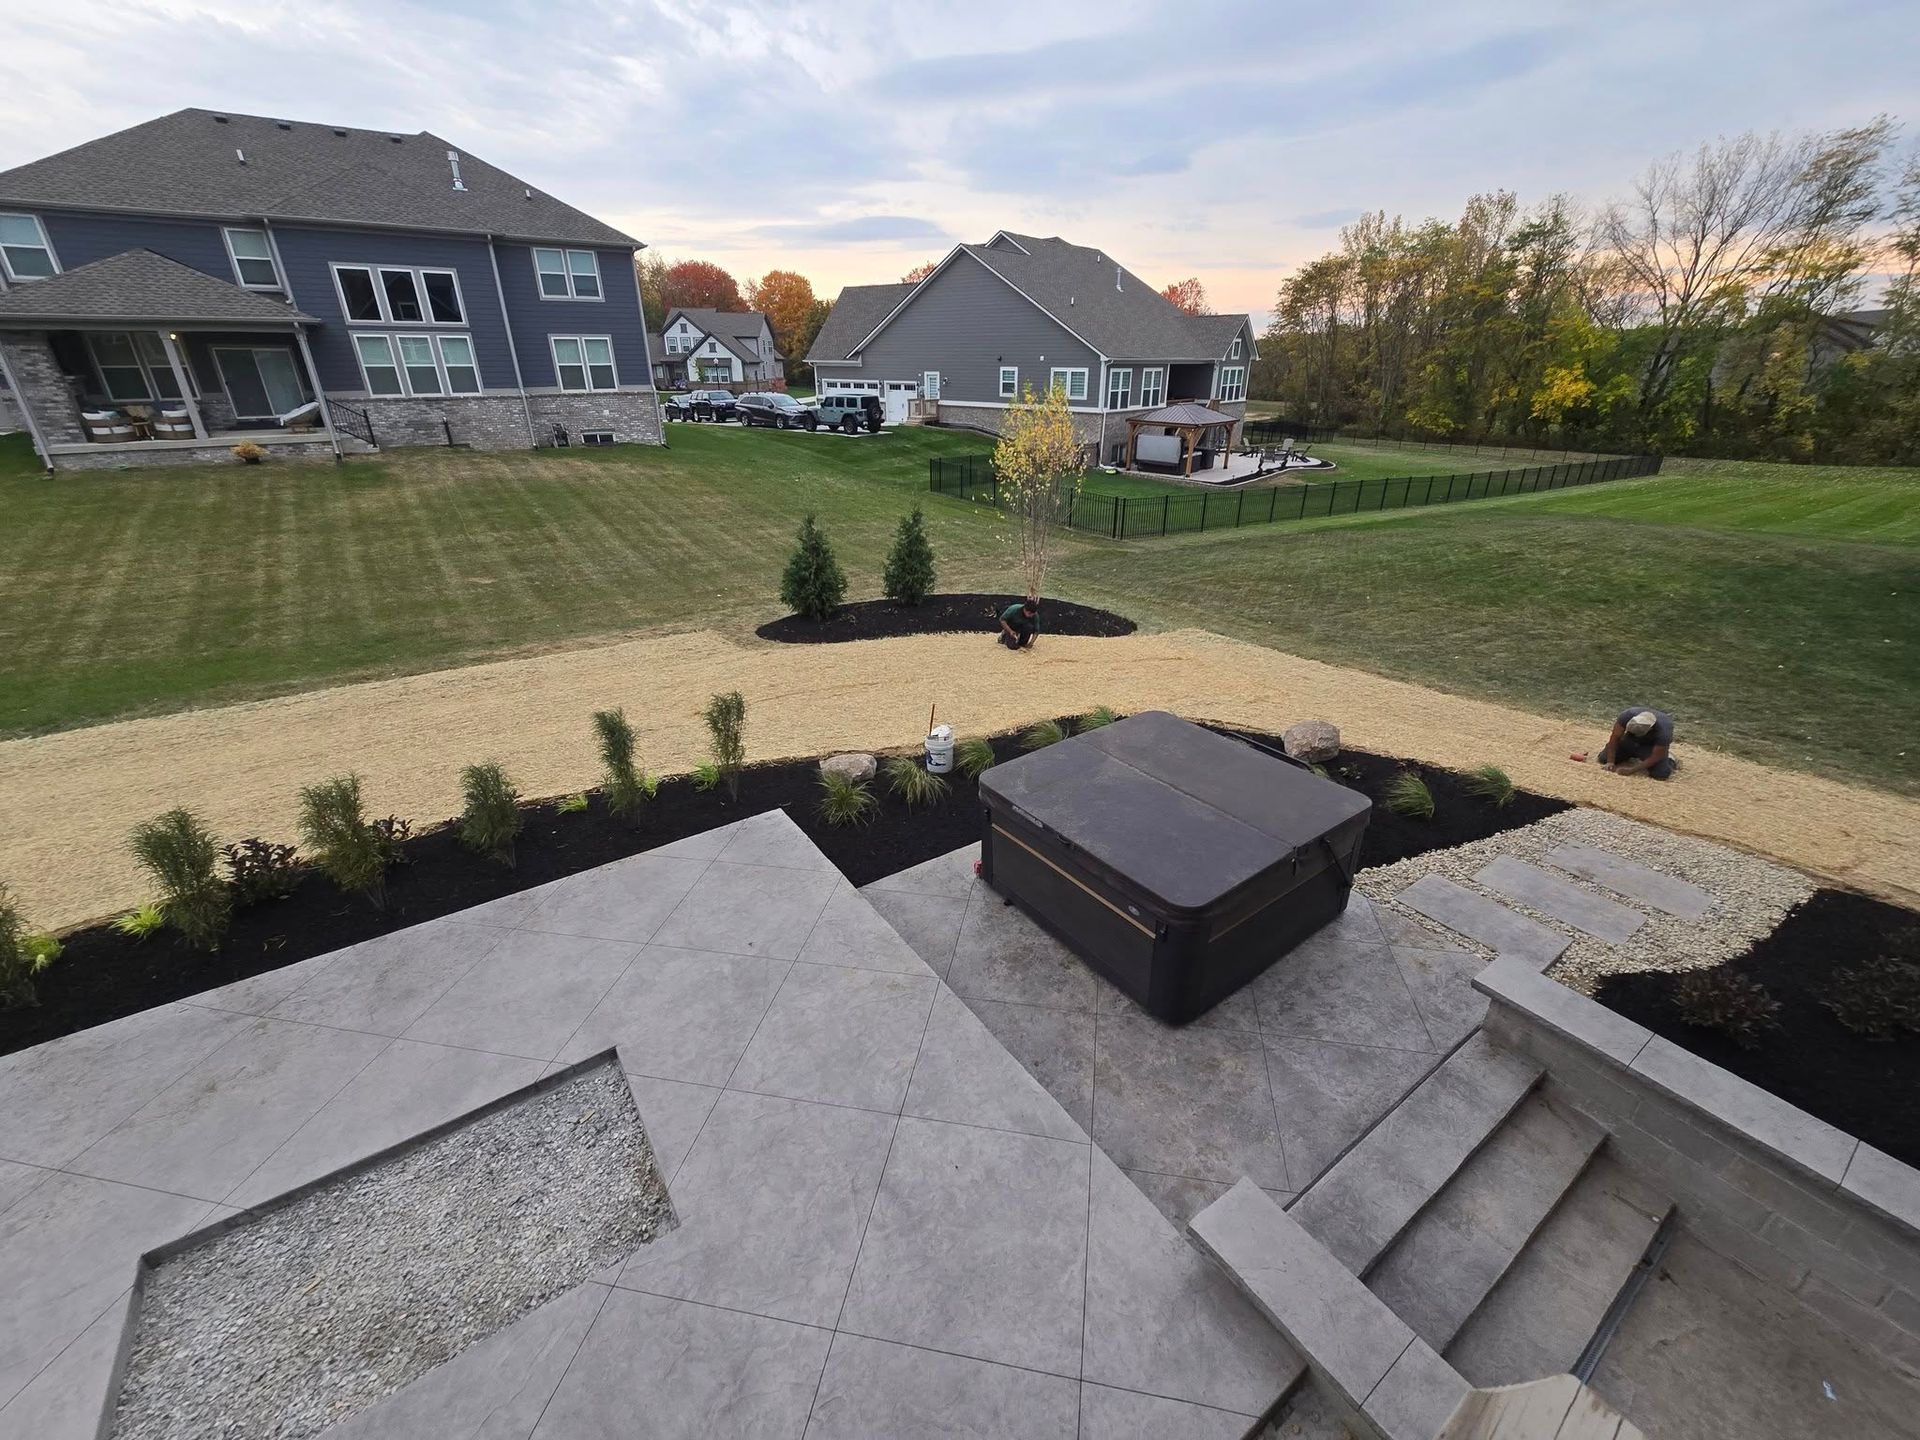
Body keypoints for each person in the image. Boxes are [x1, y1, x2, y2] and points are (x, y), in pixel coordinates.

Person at [1598, 707, 1678, 779]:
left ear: (1650, 729)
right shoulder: (1626, 715)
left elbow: (1656, 756)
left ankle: (1670, 759)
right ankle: (1630, 754)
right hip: (1629, 739)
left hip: (1649, 745)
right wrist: (1610, 761)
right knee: (1603, 758)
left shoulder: (1664, 730)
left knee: (1661, 774)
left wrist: (1632, 770)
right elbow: (1615, 738)